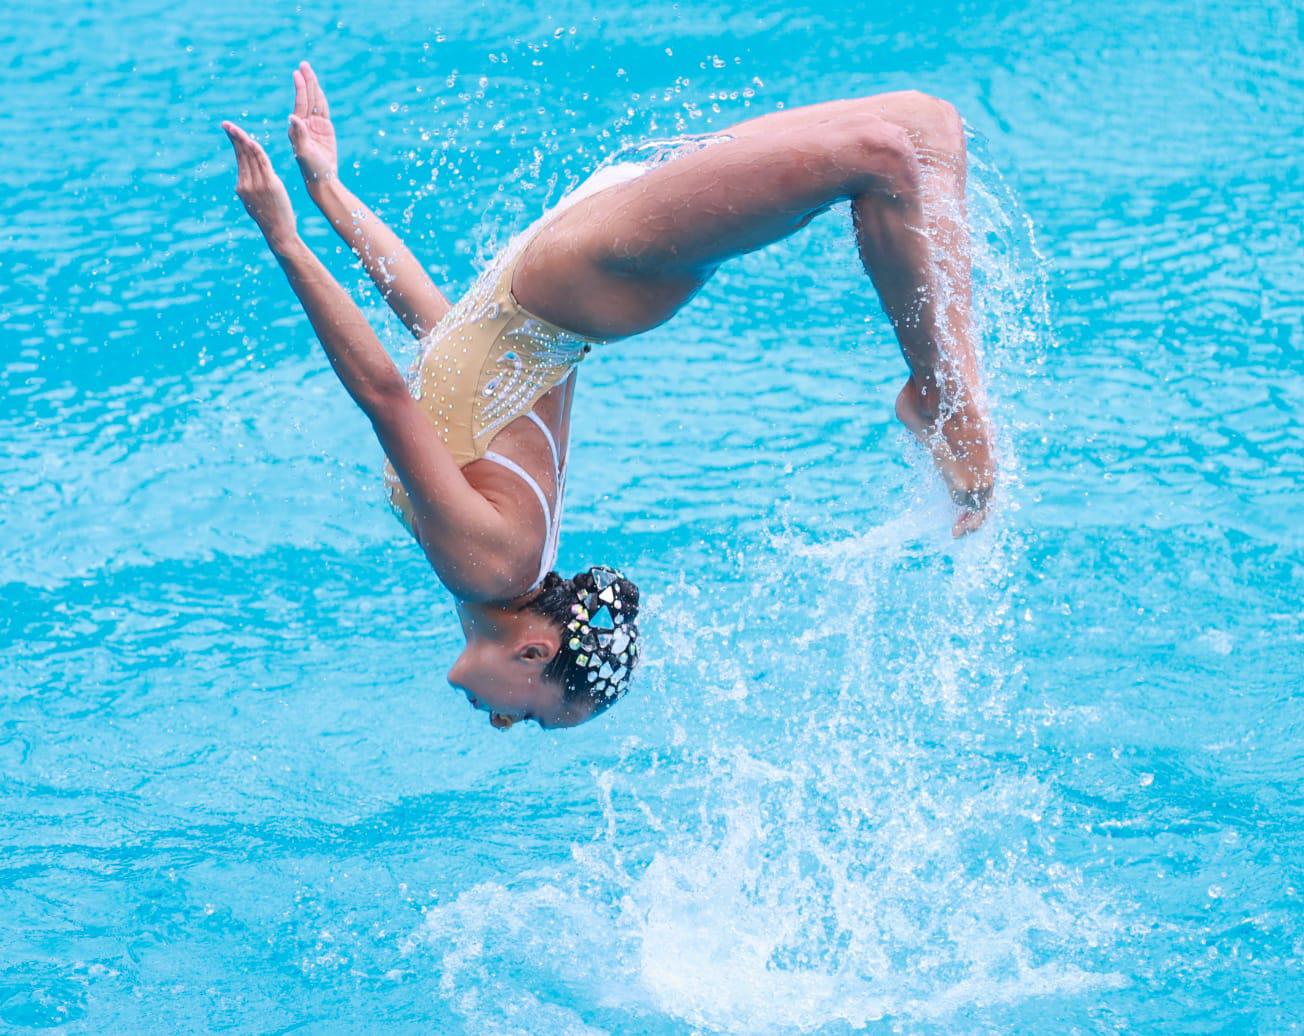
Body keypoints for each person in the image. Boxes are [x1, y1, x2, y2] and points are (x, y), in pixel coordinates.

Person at [220, 61, 995, 731]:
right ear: (535, 651)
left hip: (575, 255)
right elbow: (383, 396)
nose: (498, 721)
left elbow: (441, 332)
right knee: (889, 155)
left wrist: (327, 193)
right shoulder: (489, 569)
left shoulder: (503, 556)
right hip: (587, 273)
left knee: (926, 128)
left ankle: (948, 398)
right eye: (528, 713)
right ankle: (941, 402)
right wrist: (285, 240)